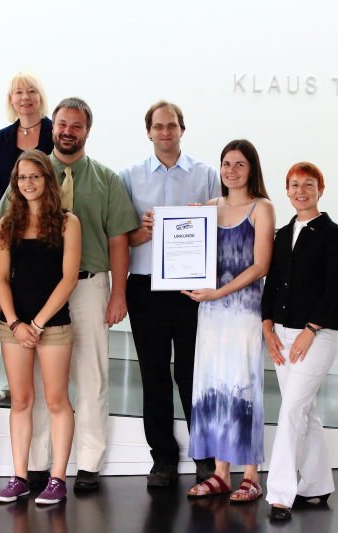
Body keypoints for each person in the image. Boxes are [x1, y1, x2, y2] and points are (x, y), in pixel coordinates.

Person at [0, 97, 139, 492]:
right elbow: (1, 228)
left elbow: (119, 239)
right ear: (51, 126)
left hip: (88, 286)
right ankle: (38, 465)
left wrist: (119, 293)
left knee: (91, 375)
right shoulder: (31, 173)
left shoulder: (106, 180)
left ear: (87, 130)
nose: (68, 131)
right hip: (37, 290)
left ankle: (88, 463)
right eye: (62, 124)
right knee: (39, 383)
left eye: (76, 125)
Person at [119, 101, 220, 487]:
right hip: (145, 287)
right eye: (158, 126)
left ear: (182, 129)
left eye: (172, 125)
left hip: (190, 290)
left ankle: (205, 457)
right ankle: (162, 458)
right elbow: (121, 238)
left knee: (194, 374)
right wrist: (142, 231)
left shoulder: (206, 175)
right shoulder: (129, 177)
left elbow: (221, 229)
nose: (165, 132)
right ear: (148, 131)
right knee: (154, 375)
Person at [183, 139, 275, 502]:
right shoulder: (209, 207)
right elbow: (186, 247)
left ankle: (250, 475)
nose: (231, 171)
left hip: (243, 311)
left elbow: (261, 266)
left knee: (243, 386)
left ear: (251, 169)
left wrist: (218, 292)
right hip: (211, 311)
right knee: (213, 385)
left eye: (239, 164)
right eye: (226, 164)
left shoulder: (261, 208)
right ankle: (220, 474)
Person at [261, 162, 338, 521]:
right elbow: (272, 284)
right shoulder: (282, 234)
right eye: (294, 185)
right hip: (282, 335)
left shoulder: (333, 234)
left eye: (308, 185)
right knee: (305, 411)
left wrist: (310, 330)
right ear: (287, 191)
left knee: (291, 410)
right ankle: (316, 484)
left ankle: (280, 495)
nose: (301, 191)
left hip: (318, 335)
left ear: (320, 190)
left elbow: (335, 289)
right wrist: (267, 328)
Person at [0, 150, 81, 505]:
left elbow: (69, 279)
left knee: (57, 401)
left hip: (52, 324)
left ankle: (57, 479)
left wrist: (38, 323)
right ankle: (19, 476)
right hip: (14, 326)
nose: (28, 183)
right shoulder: (7, 224)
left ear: (47, 178)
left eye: (34, 176)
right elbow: (0, 279)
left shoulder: (67, 223)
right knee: (21, 401)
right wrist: (16, 323)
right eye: (22, 177)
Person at [0, 72, 54, 403]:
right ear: (11, 100)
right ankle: (2, 381)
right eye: (18, 92)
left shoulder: (53, 133)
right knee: (4, 299)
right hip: (8, 229)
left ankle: (40, 376)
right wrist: (16, 203)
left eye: (31, 91)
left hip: (44, 231)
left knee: (39, 297)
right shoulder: (1, 138)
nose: (25, 97)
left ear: (40, 96)